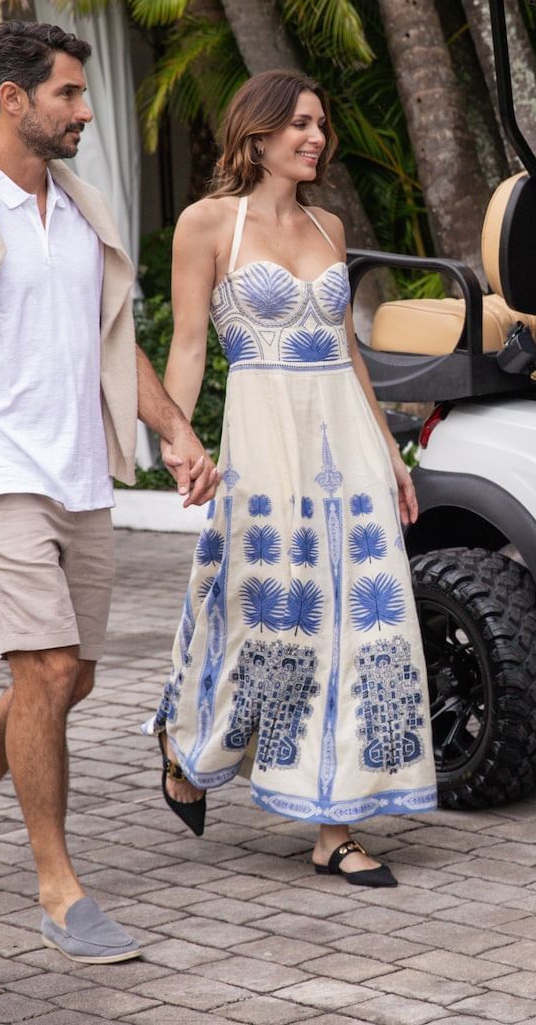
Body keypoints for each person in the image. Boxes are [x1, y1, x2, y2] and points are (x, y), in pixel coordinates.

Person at [0, 21, 218, 963]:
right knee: (49, 670)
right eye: (67, 93)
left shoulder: (80, 209)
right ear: (11, 100)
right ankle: (60, 889)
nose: (83, 110)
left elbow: (115, 338)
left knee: (73, 675)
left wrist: (175, 432)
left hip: (77, 471)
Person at [149, 70, 437, 887]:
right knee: (265, 619)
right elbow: (191, 345)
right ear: (258, 132)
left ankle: (333, 826)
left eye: (321, 125)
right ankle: (184, 737)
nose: (317, 137)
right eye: (301, 124)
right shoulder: (208, 225)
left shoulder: (329, 225)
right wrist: (179, 439)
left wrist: (391, 454)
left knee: (358, 623)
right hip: (264, 435)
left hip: (342, 438)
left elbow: (349, 350)